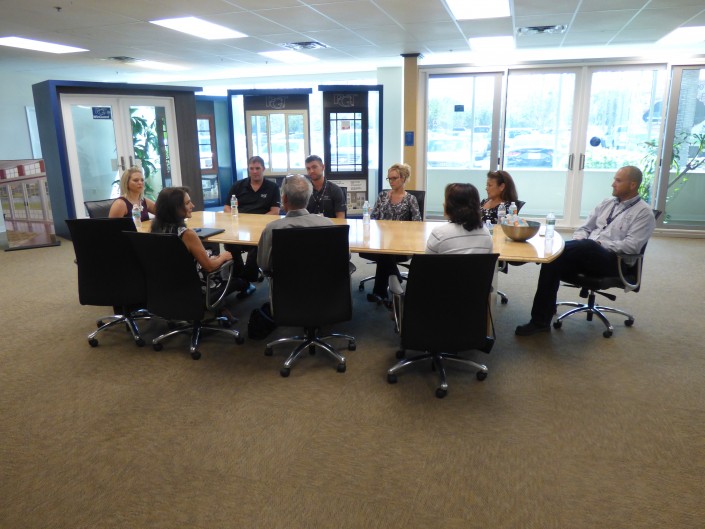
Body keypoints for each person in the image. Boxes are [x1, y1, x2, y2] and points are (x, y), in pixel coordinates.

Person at [515, 166, 656, 336]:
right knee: (553, 261)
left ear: (633, 185)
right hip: (586, 255)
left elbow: (631, 246)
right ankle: (540, 321)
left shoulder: (644, 213)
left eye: (618, 181)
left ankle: (547, 252)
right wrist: (579, 241)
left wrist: (597, 244)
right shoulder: (606, 203)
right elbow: (584, 228)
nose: (613, 184)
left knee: (586, 246)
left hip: (614, 262)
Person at [150, 187, 244, 303]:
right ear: (175, 208)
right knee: (238, 279)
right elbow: (209, 267)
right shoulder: (187, 234)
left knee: (212, 255)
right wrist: (223, 257)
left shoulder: (155, 230)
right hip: (196, 289)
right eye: (187, 203)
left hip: (167, 288)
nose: (192, 206)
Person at [364, 163, 422, 304]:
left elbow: (418, 224)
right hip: (381, 240)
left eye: (394, 178)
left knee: (385, 253)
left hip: (402, 242)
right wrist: (385, 201)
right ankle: (394, 281)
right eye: (389, 178)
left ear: (403, 178)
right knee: (385, 251)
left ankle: (380, 293)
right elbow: (373, 218)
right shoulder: (383, 195)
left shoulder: (410, 199)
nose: (391, 181)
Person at [223, 156, 281, 294]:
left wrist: (255, 221)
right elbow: (226, 207)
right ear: (248, 169)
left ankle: (248, 278)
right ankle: (239, 276)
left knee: (256, 246)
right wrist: (236, 217)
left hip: (260, 228)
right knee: (229, 243)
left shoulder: (272, 187)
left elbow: (275, 211)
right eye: (251, 168)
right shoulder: (238, 185)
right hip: (239, 227)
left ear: (263, 169)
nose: (254, 171)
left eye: (257, 168)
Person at [257, 174, 333, 275]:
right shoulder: (327, 224)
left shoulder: (272, 228)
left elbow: (263, 264)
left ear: (284, 199)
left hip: (285, 283)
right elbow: (345, 255)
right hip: (323, 282)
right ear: (308, 197)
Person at [426, 183, 494, 254]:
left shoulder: (439, 233)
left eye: (446, 200)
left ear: (451, 206)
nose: (443, 204)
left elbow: (427, 259)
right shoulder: (486, 233)